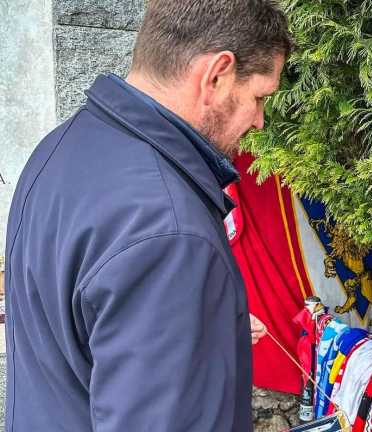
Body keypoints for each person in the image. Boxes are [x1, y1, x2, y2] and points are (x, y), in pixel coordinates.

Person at [3, 0, 292, 430]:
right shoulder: (170, 234)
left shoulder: (61, 147)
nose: (259, 121)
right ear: (216, 75)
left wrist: (209, 322)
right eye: (258, 97)